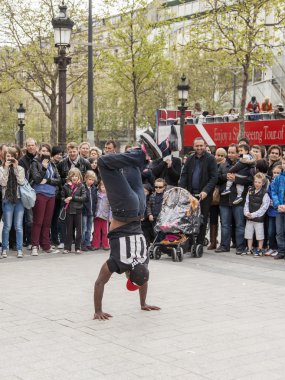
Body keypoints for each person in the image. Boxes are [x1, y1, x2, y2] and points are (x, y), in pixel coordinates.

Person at [93, 132, 164, 320]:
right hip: (124, 210)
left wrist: (143, 303)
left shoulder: (144, 260)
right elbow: (99, 283)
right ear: (129, 275)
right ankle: (144, 155)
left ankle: (159, 149)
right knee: (104, 163)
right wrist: (97, 311)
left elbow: (144, 280)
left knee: (132, 166)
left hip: (139, 207)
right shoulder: (118, 262)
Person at [179, 137, 218, 249]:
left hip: (204, 195)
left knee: (202, 218)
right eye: (197, 146)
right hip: (191, 195)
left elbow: (214, 177)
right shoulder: (190, 159)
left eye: (201, 145)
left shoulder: (211, 159)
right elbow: (184, 175)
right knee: (189, 218)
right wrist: (182, 190)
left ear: (205, 146)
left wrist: (206, 191)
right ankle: (190, 241)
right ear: (193, 146)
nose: (199, 148)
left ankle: (199, 243)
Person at [216, 143, 253, 254]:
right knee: (225, 224)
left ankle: (240, 246)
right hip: (224, 199)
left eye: (233, 152)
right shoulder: (223, 164)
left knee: (239, 224)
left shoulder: (245, 164)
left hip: (239, 200)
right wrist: (225, 176)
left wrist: (236, 179)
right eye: (229, 152)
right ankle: (224, 245)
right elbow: (216, 179)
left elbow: (250, 180)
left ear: (238, 153)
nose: (231, 154)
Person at [30, 144, 61, 256]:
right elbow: (37, 179)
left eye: (47, 151)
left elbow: (58, 180)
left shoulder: (52, 163)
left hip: (51, 195)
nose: (45, 153)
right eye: (43, 150)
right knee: (38, 221)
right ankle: (34, 245)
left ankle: (46, 245)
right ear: (39, 151)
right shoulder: (35, 162)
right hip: (40, 194)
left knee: (47, 222)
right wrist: (43, 167)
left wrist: (47, 180)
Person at [0, 147, 25, 259]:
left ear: (16, 157)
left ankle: (19, 249)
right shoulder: (1, 169)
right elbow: (3, 183)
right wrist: (5, 169)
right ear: (5, 157)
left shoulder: (20, 168)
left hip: (19, 200)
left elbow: (21, 182)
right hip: (7, 199)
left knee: (18, 226)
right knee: (7, 226)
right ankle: (4, 248)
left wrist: (15, 168)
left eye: (12, 156)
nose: (10, 158)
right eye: (8, 156)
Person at [242, 173, 270, 257]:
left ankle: (260, 249)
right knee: (248, 233)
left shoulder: (265, 193)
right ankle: (249, 249)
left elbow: (264, 207)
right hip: (249, 216)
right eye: (256, 182)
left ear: (263, 183)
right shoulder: (250, 191)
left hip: (259, 218)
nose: (257, 184)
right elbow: (246, 203)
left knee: (259, 234)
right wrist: (246, 212)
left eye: (259, 182)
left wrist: (254, 214)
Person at [62, 168, 86, 254]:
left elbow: (83, 198)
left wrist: (73, 198)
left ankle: (78, 247)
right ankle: (67, 247)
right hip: (69, 210)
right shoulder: (66, 186)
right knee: (69, 230)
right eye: (72, 176)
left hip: (78, 210)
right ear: (69, 177)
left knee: (79, 230)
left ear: (79, 176)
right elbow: (62, 197)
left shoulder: (81, 186)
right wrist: (64, 200)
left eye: (76, 176)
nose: (74, 177)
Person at [18, 138, 38, 249]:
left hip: (39, 191)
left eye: (32, 145)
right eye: (28, 145)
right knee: (29, 219)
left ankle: (36, 240)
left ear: (36, 146)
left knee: (38, 218)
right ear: (26, 146)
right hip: (28, 192)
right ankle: (29, 241)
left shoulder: (39, 158)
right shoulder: (22, 160)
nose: (31, 147)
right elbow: (23, 178)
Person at [208, 148, 227, 250]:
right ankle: (213, 241)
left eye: (222, 155)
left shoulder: (226, 165)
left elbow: (224, 177)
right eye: (218, 155)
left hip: (223, 195)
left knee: (224, 221)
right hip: (213, 197)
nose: (219, 157)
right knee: (213, 220)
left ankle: (224, 243)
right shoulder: (212, 164)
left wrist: (215, 177)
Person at [264, 165, 282, 257]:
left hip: (279, 212)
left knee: (279, 232)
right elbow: (268, 194)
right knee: (270, 231)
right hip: (271, 212)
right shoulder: (271, 184)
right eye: (274, 173)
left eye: (278, 173)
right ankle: (272, 247)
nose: (275, 175)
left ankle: (279, 248)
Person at [271, 157, 285, 260]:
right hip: (279, 209)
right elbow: (274, 192)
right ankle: (281, 251)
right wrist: (278, 204)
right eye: (284, 163)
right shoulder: (278, 178)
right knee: (279, 232)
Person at [91, 180, 111, 250]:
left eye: (105, 187)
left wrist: (110, 217)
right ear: (100, 187)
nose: (104, 188)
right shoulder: (97, 194)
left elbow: (111, 208)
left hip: (105, 217)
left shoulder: (109, 196)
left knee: (105, 232)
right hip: (97, 216)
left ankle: (105, 244)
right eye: (102, 187)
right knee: (96, 231)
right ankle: (95, 244)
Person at [50, 146, 63, 248]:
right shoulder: (50, 164)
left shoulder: (61, 164)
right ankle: (51, 238)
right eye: (57, 154)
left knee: (56, 218)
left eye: (61, 154)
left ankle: (54, 238)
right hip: (50, 194)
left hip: (58, 196)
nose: (59, 156)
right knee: (49, 218)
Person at [81, 170, 97, 251]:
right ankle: (82, 243)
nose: (91, 181)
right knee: (84, 228)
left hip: (91, 212)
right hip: (84, 211)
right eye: (90, 179)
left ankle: (88, 243)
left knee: (89, 228)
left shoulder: (94, 188)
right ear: (85, 178)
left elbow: (95, 200)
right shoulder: (82, 187)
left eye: (93, 180)